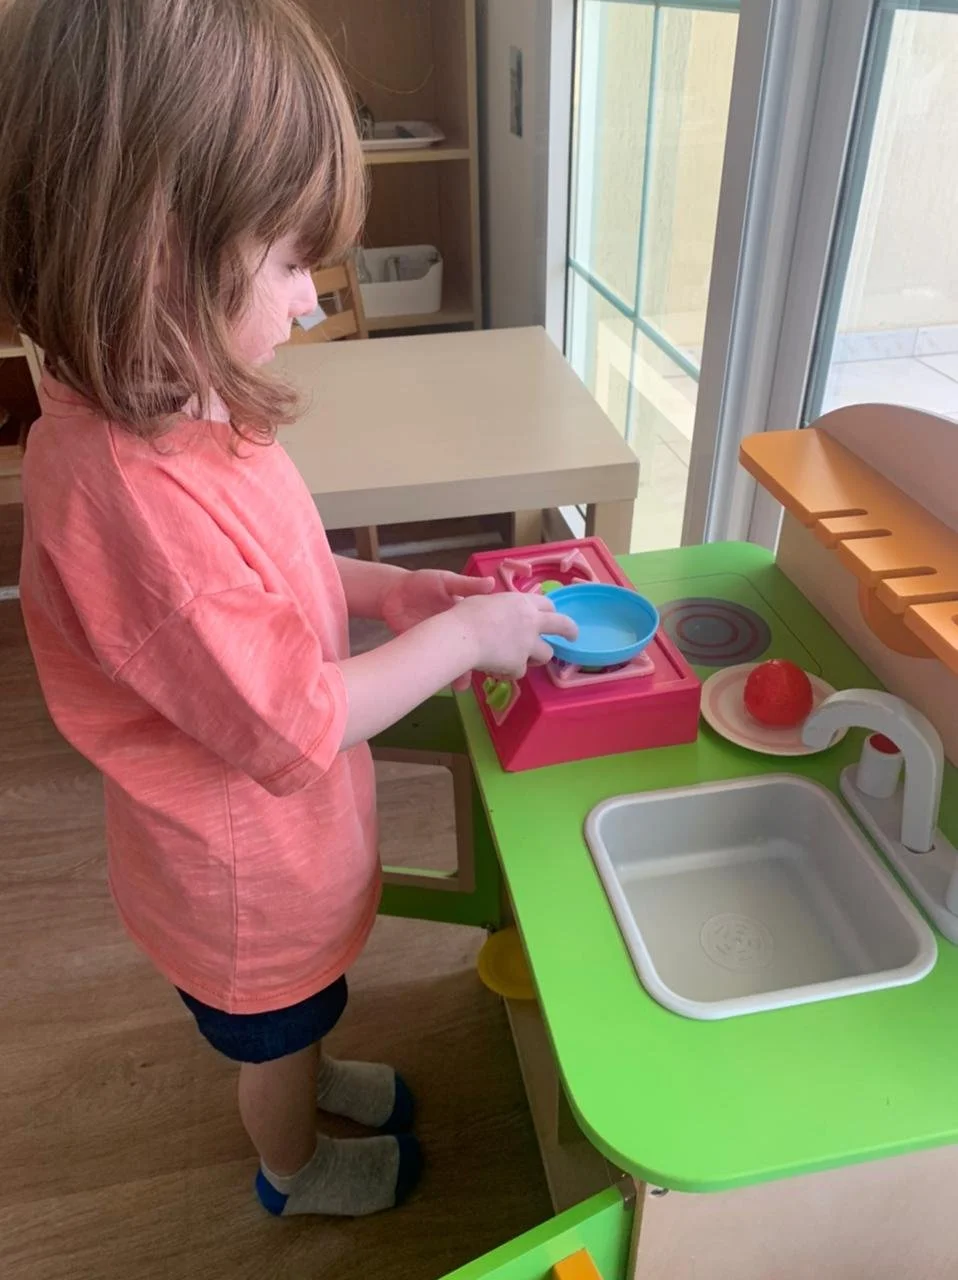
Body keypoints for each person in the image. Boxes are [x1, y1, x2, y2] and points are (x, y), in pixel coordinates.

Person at [0, 0, 576, 1220]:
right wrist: (464, 637)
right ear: (152, 252)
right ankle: (292, 1161)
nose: (314, 302)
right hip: (242, 881)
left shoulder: (170, 399)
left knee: (310, 1012)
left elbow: (276, 578)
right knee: (276, 1031)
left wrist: (389, 590)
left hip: (273, 851)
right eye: (285, 261)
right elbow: (299, 719)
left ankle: (310, 1075)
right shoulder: (132, 500)